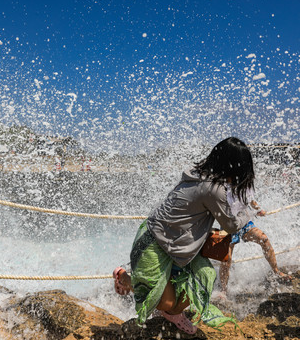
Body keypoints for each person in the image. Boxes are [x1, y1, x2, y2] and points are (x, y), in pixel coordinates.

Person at [113, 137, 255, 334]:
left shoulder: (198, 174)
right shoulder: (213, 189)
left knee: (205, 275)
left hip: (173, 242)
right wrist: (248, 212)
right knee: (169, 303)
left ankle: (164, 300)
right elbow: (230, 225)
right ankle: (125, 278)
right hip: (153, 243)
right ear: (233, 168)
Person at [219, 186, 292, 297]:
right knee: (226, 258)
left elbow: (251, 200)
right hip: (228, 225)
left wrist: (258, 210)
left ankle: (276, 271)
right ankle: (223, 290)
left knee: (264, 239)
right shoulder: (223, 185)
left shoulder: (245, 183)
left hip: (245, 223)